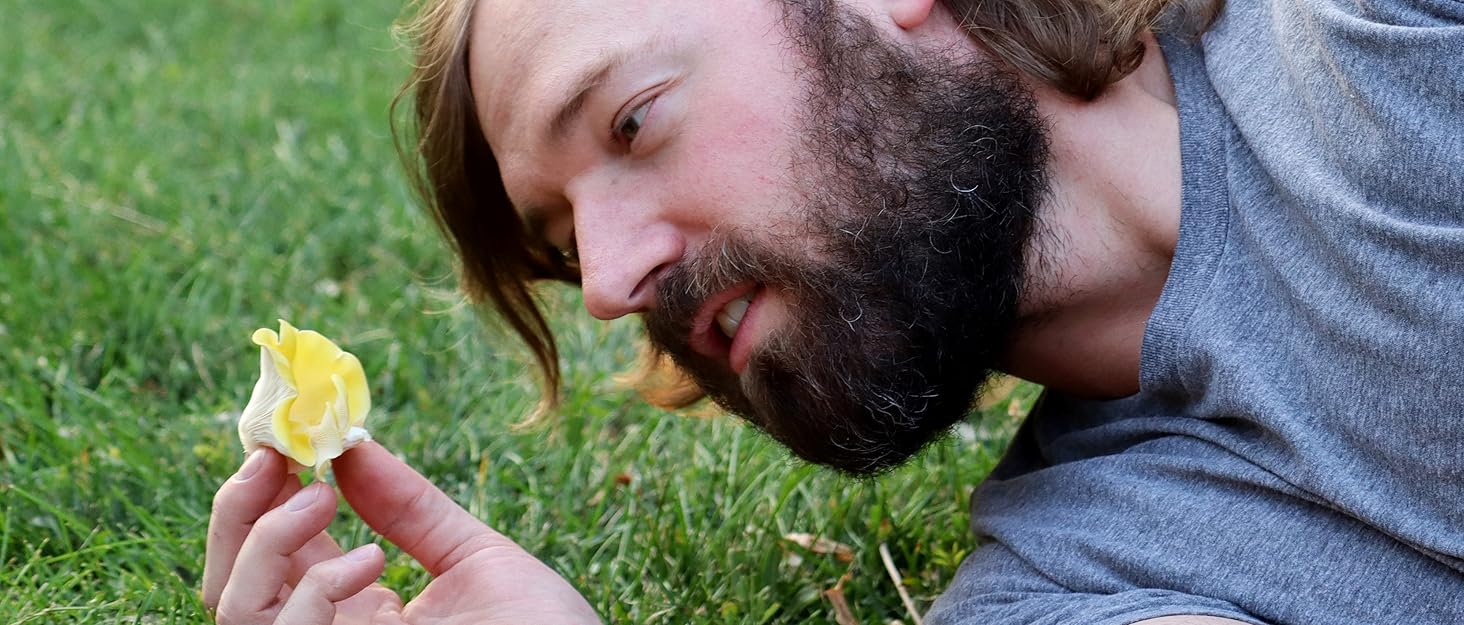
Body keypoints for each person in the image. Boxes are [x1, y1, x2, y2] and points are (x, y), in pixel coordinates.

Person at [201, 0, 1464, 622]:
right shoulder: (1072, 584)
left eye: (632, 122)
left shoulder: (1386, 35)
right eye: (564, 239)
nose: (606, 286)